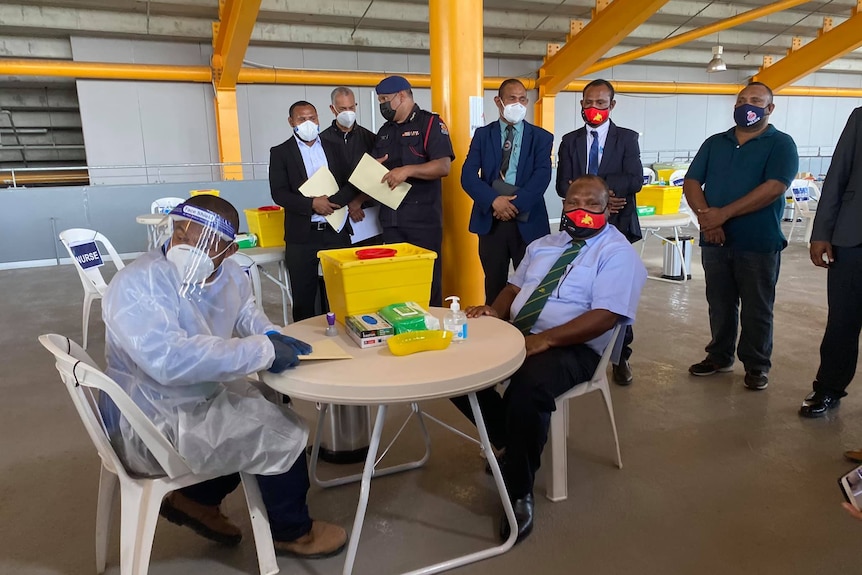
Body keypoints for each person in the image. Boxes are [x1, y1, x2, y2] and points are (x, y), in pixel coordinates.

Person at [100, 194, 347, 557]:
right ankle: (293, 532)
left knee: (265, 403)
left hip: (188, 397)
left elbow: (245, 311)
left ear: (229, 250)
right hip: (150, 417)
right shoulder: (138, 283)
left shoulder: (230, 271)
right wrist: (260, 351)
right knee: (283, 431)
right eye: (181, 234)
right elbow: (168, 359)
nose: (185, 246)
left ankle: (196, 499)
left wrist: (271, 334)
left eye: (201, 242)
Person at [453, 175, 646, 543]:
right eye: (574, 203)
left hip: (576, 346)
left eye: (593, 204)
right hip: (523, 335)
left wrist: (546, 341)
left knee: (528, 388)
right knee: (456, 366)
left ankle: (518, 489)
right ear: (563, 204)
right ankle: (509, 440)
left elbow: (606, 315)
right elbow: (513, 287)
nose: (582, 211)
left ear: (608, 208)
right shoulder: (543, 244)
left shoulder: (617, 254)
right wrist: (495, 313)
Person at [683, 82, 798, 391]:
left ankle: (757, 365)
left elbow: (774, 188)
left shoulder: (781, 144)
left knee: (757, 307)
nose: (747, 105)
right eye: (742, 100)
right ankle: (719, 356)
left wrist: (724, 214)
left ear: (769, 108)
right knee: (719, 303)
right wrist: (708, 220)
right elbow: (692, 182)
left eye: (756, 100)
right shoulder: (715, 143)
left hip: (758, 242)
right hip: (715, 240)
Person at [555, 79, 643, 386]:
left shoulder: (627, 138)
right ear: (581, 104)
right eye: (588, 103)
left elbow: (635, 179)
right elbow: (562, 183)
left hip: (617, 221)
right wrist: (598, 197)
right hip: (579, 228)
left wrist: (602, 197)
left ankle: (621, 358)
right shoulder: (569, 140)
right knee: (578, 286)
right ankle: (574, 343)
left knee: (617, 295)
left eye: (600, 103)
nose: (593, 109)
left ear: (612, 105)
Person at [462, 78, 553, 304]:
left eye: (523, 99)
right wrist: (494, 201)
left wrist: (513, 205)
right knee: (494, 284)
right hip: (491, 220)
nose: (518, 104)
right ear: (498, 101)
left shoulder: (541, 137)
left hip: (529, 219)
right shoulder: (483, 135)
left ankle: (528, 334)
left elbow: (542, 176)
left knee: (531, 284)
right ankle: (495, 332)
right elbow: (468, 175)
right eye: (512, 98)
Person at [799, 107, 862, 417]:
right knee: (842, 322)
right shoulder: (860, 117)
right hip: (853, 239)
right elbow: (837, 175)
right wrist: (821, 231)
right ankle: (828, 388)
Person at [372, 75, 455, 307]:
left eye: (385, 99)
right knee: (396, 286)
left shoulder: (430, 124)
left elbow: (443, 165)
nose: (382, 105)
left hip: (422, 222)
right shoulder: (384, 131)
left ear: (402, 96)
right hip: (391, 221)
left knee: (427, 283)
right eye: (380, 100)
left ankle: (432, 330)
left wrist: (407, 170)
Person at [270, 100, 356, 322]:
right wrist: (312, 204)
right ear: (291, 122)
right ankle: (307, 343)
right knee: (303, 296)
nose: (309, 123)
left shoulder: (335, 147)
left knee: (341, 292)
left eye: (313, 118)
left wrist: (333, 203)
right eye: (302, 119)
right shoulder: (280, 152)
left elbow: (351, 183)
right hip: (302, 234)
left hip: (336, 230)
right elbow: (279, 193)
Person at [319, 86, 381, 246]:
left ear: (356, 106)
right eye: (342, 108)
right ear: (332, 109)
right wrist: (343, 204)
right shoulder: (321, 141)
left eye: (351, 107)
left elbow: (378, 175)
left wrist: (358, 201)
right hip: (333, 215)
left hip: (366, 216)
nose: (348, 112)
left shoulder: (371, 139)